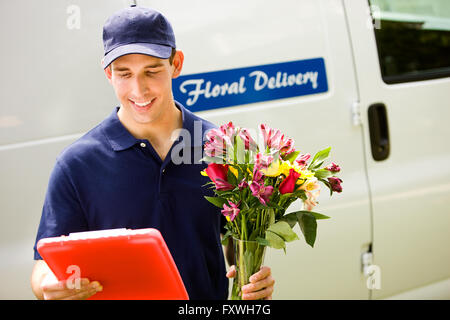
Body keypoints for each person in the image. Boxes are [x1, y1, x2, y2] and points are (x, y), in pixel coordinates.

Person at [30, 5, 275, 300]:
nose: (139, 89)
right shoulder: (76, 165)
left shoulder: (221, 148)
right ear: (108, 73)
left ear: (176, 64)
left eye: (152, 71)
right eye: (124, 73)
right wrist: (48, 286)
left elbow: (234, 240)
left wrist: (251, 276)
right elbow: (43, 267)